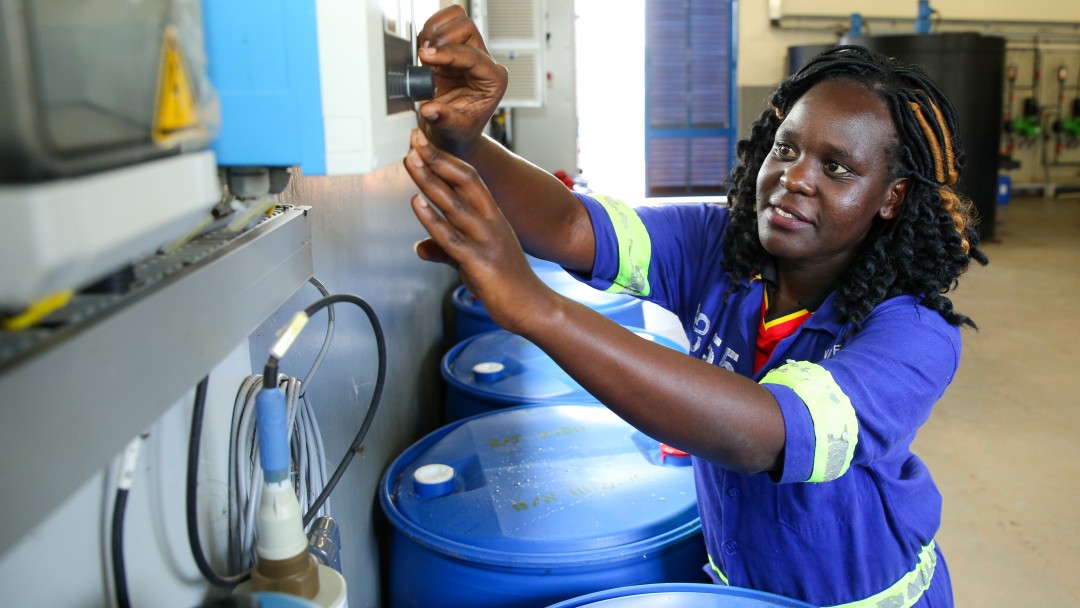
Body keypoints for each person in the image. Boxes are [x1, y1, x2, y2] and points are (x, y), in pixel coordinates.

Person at [402, 6, 987, 607]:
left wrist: (536, 307)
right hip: (739, 587)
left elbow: (766, 434)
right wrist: (468, 137)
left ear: (891, 198)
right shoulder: (718, 247)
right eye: (786, 149)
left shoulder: (916, 335)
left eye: (836, 168)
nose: (794, 178)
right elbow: (571, 223)